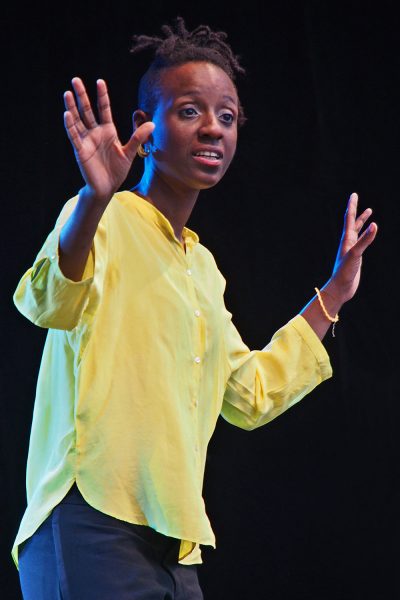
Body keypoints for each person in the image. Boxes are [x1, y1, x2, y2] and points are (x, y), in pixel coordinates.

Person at [12, 16, 377, 600]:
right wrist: (92, 199)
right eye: (190, 111)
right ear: (145, 127)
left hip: (173, 544)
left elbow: (247, 394)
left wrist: (332, 296)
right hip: (91, 521)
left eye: (226, 117)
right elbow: (48, 302)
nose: (213, 129)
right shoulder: (105, 218)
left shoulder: (201, 268)